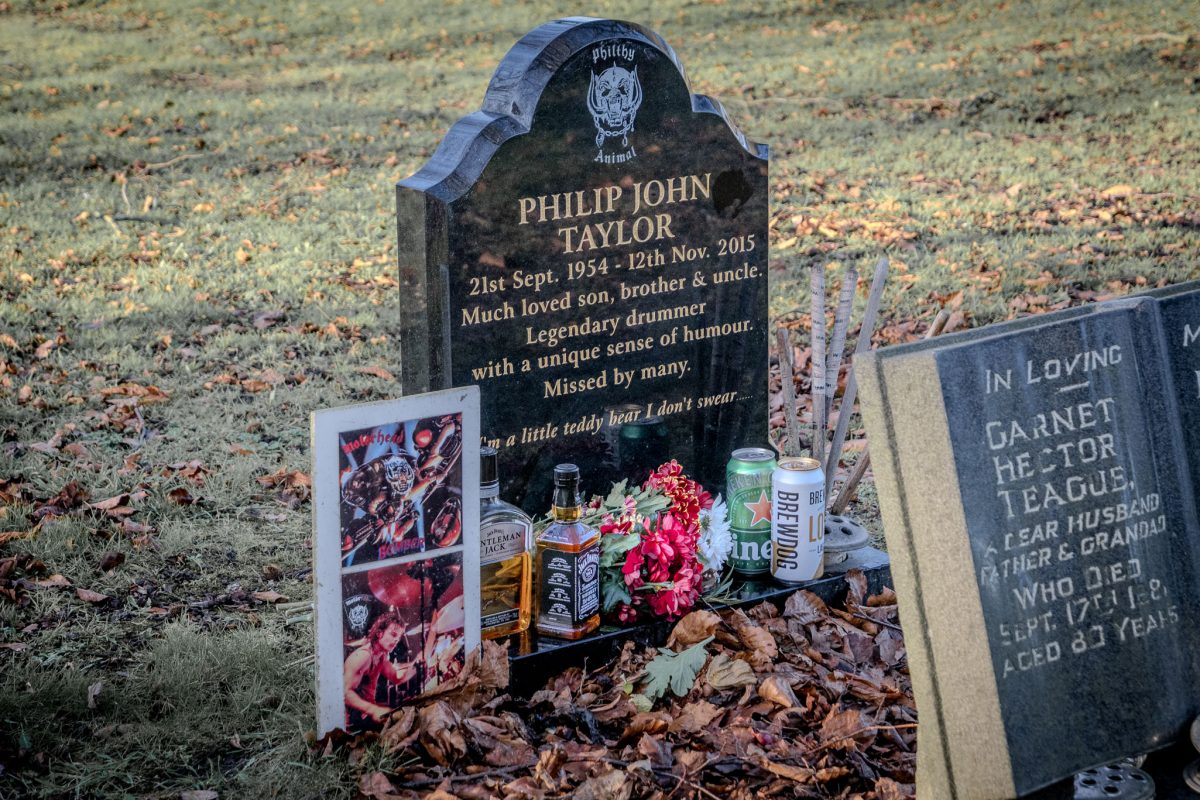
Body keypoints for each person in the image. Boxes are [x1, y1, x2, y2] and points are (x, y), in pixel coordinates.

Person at [343, 609, 419, 727]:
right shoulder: (363, 656)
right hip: (350, 725)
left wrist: (416, 666)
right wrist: (373, 710)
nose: (396, 641)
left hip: (365, 717)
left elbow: (396, 678)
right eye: (393, 634)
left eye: (398, 638)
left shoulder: (381, 656)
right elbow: (345, 693)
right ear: (379, 633)